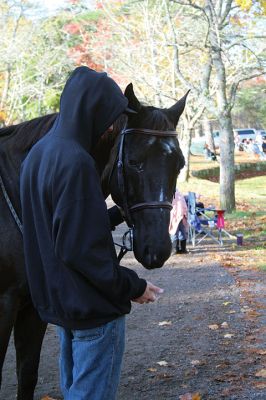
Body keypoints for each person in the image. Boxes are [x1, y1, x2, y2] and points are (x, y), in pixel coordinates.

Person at [20, 66, 163, 400]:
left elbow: (59, 225)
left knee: (75, 391)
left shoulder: (38, 155)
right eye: (112, 117)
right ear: (94, 112)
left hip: (64, 305)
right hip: (94, 310)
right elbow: (79, 250)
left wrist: (113, 215)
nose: (113, 128)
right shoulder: (77, 162)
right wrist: (134, 285)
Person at [169, 188, 189, 254]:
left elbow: (183, 204)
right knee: (175, 232)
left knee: (181, 232)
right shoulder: (172, 193)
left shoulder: (178, 193)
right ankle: (176, 249)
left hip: (180, 215)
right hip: (175, 214)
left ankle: (182, 249)